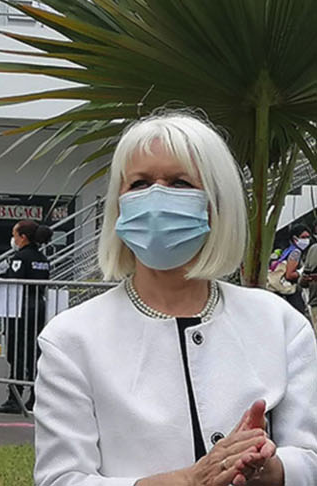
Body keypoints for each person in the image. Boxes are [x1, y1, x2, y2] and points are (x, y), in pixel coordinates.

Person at [34, 113, 317, 486]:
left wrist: (272, 468)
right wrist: (184, 481)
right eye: (139, 183)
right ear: (118, 205)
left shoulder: (279, 324)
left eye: (179, 183)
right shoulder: (71, 338)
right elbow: (59, 478)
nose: (156, 197)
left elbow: (310, 456)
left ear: (217, 204)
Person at [0, 219, 51, 415]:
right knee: (34, 354)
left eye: (15, 235)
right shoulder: (42, 258)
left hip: (20, 309)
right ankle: (36, 396)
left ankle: (14, 398)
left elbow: (14, 280)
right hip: (38, 308)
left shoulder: (20, 257)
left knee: (16, 353)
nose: (13, 239)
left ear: (23, 237)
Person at [270, 224, 310, 316]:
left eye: (307, 237)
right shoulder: (296, 252)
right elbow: (289, 275)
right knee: (299, 315)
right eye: (303, 237)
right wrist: (301, 273)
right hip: (290, 291)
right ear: (295, 239)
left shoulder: (287, 250)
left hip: (280, 289)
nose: (306, 240)